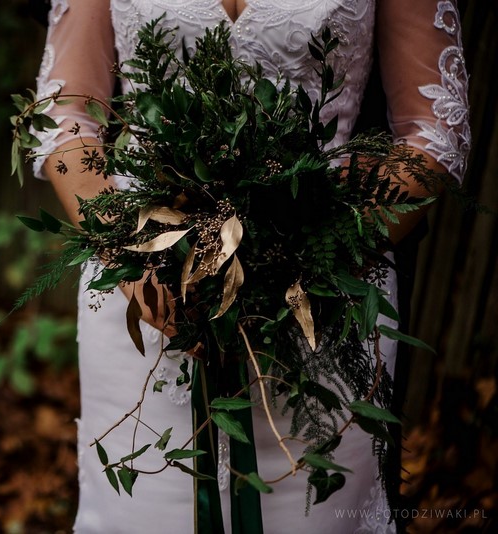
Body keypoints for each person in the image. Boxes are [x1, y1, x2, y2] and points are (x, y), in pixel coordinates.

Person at [30, 1, 470, 532]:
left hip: (326, 300)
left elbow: (436, 129)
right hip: (144, 295)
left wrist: (312, 252)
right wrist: (126, 250)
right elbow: (63, 113)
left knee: (314, 510)